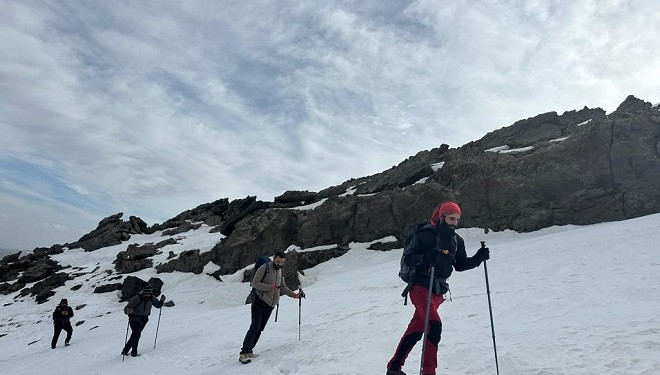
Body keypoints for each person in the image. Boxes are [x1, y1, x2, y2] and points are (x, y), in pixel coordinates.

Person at [386, 201, 490, 375]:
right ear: (442, 217)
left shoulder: (456, 240)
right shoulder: (426, 234)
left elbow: (461, 265)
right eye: (451, 218)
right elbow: (409, 258)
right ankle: (428, 371)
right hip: (419, 287)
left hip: (437, 291)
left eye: (457, 219)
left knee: (417, 329)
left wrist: (479, 258)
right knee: (434, 325)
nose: (454, 223)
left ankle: (394, 368)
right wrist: (427, 257)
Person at [239, 250, 305, 364]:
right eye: (278, 261)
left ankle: (249, 351)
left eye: (282, 262)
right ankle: (243, 353)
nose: (279, 264)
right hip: (259, 302)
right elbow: (254, 283)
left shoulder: (280, 271)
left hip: (270, 305)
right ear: (274, 258)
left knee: (260, 328)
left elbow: (283, 287)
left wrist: (294, 295)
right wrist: (269, 287)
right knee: (254, 327)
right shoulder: (264, 268)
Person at [121, 285, 165, 357]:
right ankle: (134, 353)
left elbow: (158, 305)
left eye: (149, 293)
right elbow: (126, 308)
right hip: (134, 319)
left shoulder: (152, 298)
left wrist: (162, 301)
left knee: (134, 335)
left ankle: (125, 351)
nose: (147, 295)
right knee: (137, 334)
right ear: (143, 292)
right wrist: (128, 311)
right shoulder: (137, 298)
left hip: (144, 320)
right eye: (146, 293)